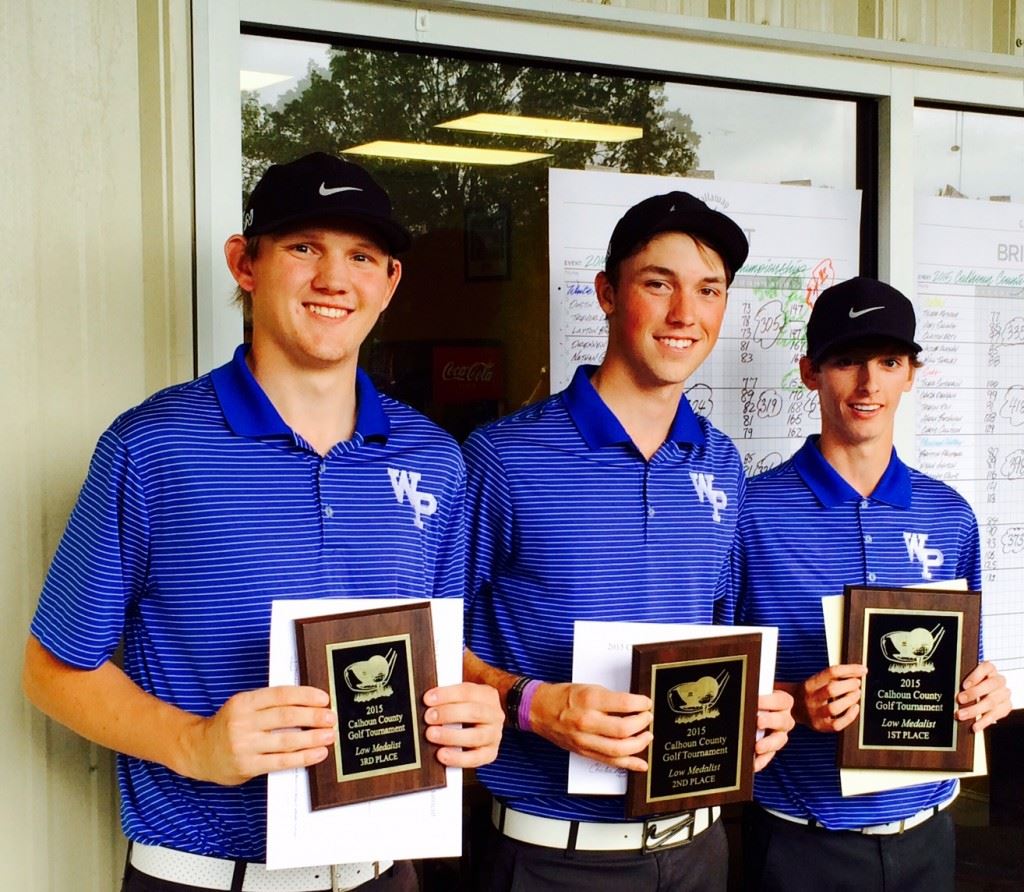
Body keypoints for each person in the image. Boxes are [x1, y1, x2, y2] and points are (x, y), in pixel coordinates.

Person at [22, 152, 503, 892]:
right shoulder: (152, 448)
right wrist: (193, 743)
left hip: (382, 873)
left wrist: (477, 711)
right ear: (245, 264)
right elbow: (52, 671)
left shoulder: (435, 459)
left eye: (362, 256)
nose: (334, 279)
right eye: (305, 247)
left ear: (389, 283)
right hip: (208, 877)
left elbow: (440, 658)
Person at [461, 192, 795, 891]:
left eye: (709, 290)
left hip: (699, 850)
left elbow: (720, 632)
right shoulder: (504, 457)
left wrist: (763, 708)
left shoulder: (721, 463)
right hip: (551, 856)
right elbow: (425, 643)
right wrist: (529, 703)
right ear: (608, 294)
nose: (685, 314)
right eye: (658, 284)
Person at [727, 277, 1011, 891]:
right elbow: (718, 672)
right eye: (847, 361)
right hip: (798, 842)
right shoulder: (751, 512)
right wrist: (793, 703)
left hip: (930, 836)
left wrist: (985, 691)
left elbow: (962, 663)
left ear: (912, 374)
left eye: (888, 362)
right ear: (810, 372)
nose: (868, 384)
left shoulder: (950, 514)